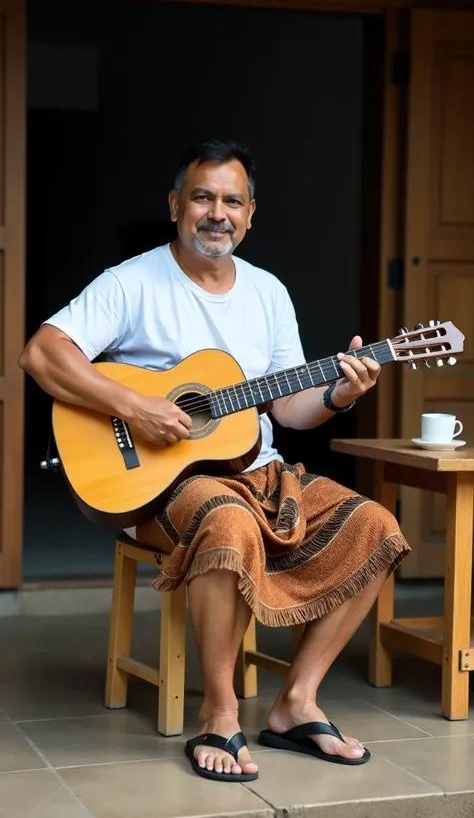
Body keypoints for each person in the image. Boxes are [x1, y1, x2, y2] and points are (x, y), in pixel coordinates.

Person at [19, 139, 410, 783]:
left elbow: (287, 410)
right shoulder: (131, 281)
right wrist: (135, 406)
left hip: (260, 472)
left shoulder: (268, 292)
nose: (216, 213)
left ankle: (295, 704)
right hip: (164, 486)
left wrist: (339, 393)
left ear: (251, 214)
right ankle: (221, 714)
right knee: (226, 520)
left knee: (377, 526)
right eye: (202, 197)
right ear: (176, 205)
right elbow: (42, 354)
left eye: (232, 201)